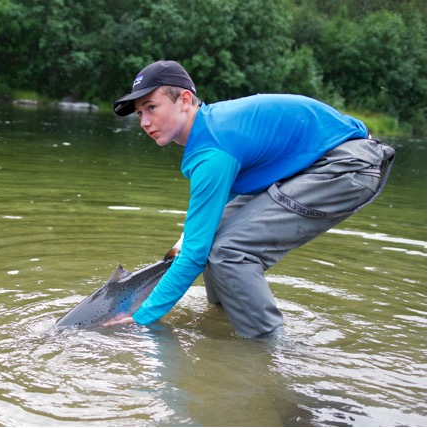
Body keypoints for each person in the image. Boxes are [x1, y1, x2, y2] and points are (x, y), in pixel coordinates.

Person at [105, 60, 395, 338]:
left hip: (345, 166)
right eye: (139, 113)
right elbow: (215, 211)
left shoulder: (212, 150)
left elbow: (194, 257)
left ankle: (268, 351)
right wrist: (187, 239)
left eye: (151, 108)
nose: (144, 121)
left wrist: (141, 320)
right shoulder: (211, 129)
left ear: (184, 100)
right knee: (211, 242)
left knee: (228, 252)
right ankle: (224, 319)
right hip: (320, 163)